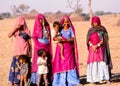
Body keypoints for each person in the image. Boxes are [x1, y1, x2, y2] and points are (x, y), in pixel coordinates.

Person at [52, 16, 83, 86]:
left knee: (70, 64)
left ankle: (74, 81)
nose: (66, 23)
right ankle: (60, 82)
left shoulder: (71, 29)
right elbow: (54, 38)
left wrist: (65, 40)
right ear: (62, 22)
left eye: (67, 21)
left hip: (69, 50)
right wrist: (58, 39)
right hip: (60, 50)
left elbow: (72, 38)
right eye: (64, 21)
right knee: (60, 64)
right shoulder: (59, 29)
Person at [86, 16, 112, 84]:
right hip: (92, 50)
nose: (95, 23)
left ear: (98, 21)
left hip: (101, 49)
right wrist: (92, 46)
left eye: (96, 22)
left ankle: (106, 79)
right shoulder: (90, 30)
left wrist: (97, 45)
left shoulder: (102, 29)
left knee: (103, 63)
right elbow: (88, 40)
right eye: (94, 22)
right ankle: (93, 80)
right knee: (93, 64)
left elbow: (103, 40)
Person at [8, 16, 31, 86]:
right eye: (19, 23)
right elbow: (9, 35)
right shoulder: (16, 31)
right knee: (17, 69)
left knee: (25, 71)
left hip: (25, 55)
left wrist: (30, 53)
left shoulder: (27, 31)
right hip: (17, 54)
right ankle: (16, 83)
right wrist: (15, 28)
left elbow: (30, 42)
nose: (20, 25)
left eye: (21, 24)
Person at [31, 14, 52, 85]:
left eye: (42, 19)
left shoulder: (47, 26)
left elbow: (47, 36)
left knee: (46, 61)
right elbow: (33, 36)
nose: (41, 20)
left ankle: (47, 80)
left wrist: (44, 27)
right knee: (39, 62)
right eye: (40, 19)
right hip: (39, 47)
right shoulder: (36, 27)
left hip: (46, 46)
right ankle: (37, 81)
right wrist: (37, 44)